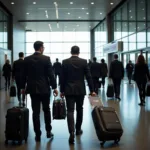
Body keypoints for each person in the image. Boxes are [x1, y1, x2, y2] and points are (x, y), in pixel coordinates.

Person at [21, 41, 58, 142]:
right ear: (41, 48)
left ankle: (37, 134)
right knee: (46, 110)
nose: (44, 48)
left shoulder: (27, 59)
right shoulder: (46, 59)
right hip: (44, 88)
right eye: (43, 47)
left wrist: (22, 87)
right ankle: (48, 131)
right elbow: (51, 74)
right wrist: (54, 87)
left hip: (32, 89)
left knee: (35, 112)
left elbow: (23, 75)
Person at [60, 46, 96, 144]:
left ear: (70, 52)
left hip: (68, 90)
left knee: (70, 111)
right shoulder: (84, 62)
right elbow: (89, 76)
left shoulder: (65, 62)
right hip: (80, 90)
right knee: (80, 109)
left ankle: (71, 132)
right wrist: (92, 90)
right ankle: (78, 129)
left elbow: (62, 78)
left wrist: (62, 90)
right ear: (79, 52)